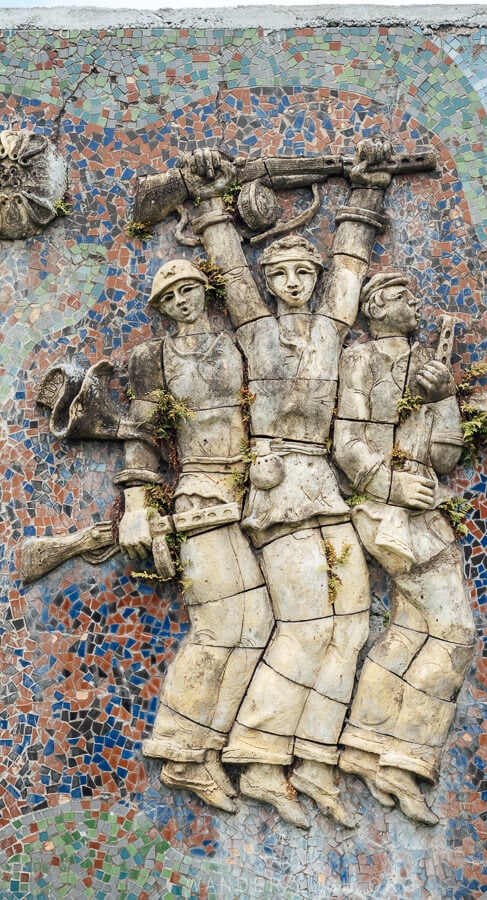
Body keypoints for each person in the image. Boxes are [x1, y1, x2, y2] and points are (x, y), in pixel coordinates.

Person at [183, 141, 395, 827]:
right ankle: (259, 753)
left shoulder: (334, 326)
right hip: (277, 489)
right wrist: (214, 205)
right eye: (282, 272)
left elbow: (351, 271)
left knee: (351, 626)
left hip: (326, 486)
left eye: (306, 270)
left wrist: (364, 197)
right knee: (305, 626)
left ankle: (312, 759)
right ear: (269, 282)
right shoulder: (253, 326)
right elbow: (228, 271)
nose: (295, 280)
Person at [117, 259, 274, 814]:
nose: (182, 301)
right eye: (170, 296)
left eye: (189, 290)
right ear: (160, 307)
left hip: (254, 493)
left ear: (205, 291)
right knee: (219, 627)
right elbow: (142, 434)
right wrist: (136, 503)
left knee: (258, 627)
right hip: (198, 495)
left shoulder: (242, 344)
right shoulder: (151, 358)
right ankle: (182, 754)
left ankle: (212, 746)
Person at [333, 274, 477, 826]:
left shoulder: (428, 362)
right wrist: (388, 484)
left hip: (425, 510)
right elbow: (346, 443)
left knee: (408, 631)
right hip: (386, 509)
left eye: (416, 294)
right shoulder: (361, 360)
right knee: (455, 631)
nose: (416, 302)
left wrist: (445, 401)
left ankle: (366, 748)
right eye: (402, 295)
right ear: (375, 307)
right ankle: (404, 759)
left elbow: (444, 455)